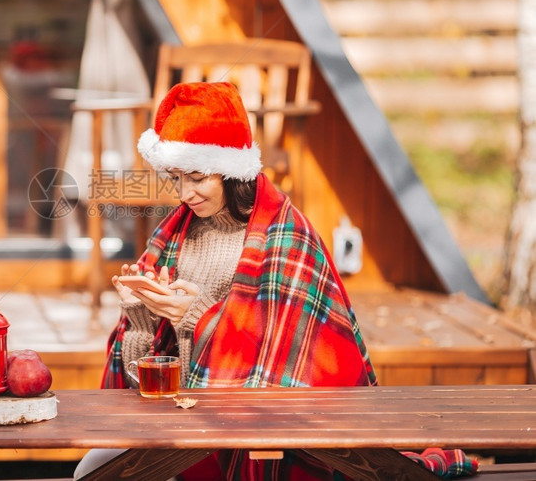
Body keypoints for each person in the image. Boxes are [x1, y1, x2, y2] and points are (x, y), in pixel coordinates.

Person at [75, 82, 474, 480]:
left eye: (197, 177)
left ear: (231, 171)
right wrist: (142, 322)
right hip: (182, 428)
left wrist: (195, 317)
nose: (185, 194)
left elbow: (291, 376)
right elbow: (146, 388)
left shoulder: (287, 238)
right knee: (88, 473)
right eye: (176, 178)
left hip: (258, 440)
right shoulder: (175, 236)